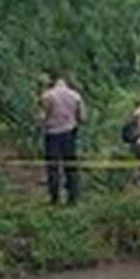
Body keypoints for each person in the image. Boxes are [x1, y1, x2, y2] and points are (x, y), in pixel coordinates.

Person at [38, 71, 85, 205]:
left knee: (53, 167)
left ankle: (54, 198)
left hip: (52, 134)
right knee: (70, 166)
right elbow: (82, 117)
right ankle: (73, 198)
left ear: (53, 81)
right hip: (70, 134)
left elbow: (42, 117)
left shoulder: (47, 96)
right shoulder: (75, 96)